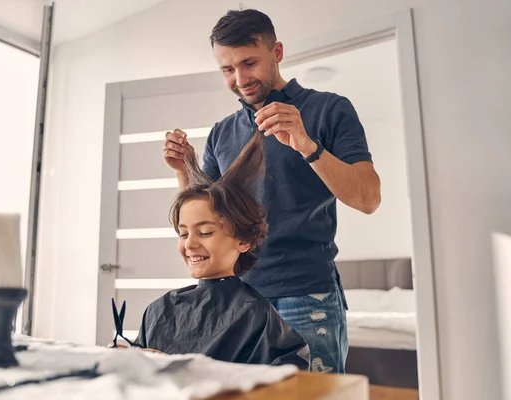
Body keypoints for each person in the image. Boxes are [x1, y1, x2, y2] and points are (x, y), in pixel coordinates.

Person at [162, 9, 381, 373]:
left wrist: (307, 145)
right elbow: (209, 221)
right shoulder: (222, 132)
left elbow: (368, 199)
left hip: (306, 295)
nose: (240, 78)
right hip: (235, 294)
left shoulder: (329, 109)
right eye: (227, 70)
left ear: (277, 52)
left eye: (249, 63)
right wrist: (184, 171)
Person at [129, 131, 310, 370]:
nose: (190, 244)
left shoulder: (256, 315)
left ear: (243, 241)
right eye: (183, 233)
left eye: (205, 232)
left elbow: (285, 383)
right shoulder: (159, 309)